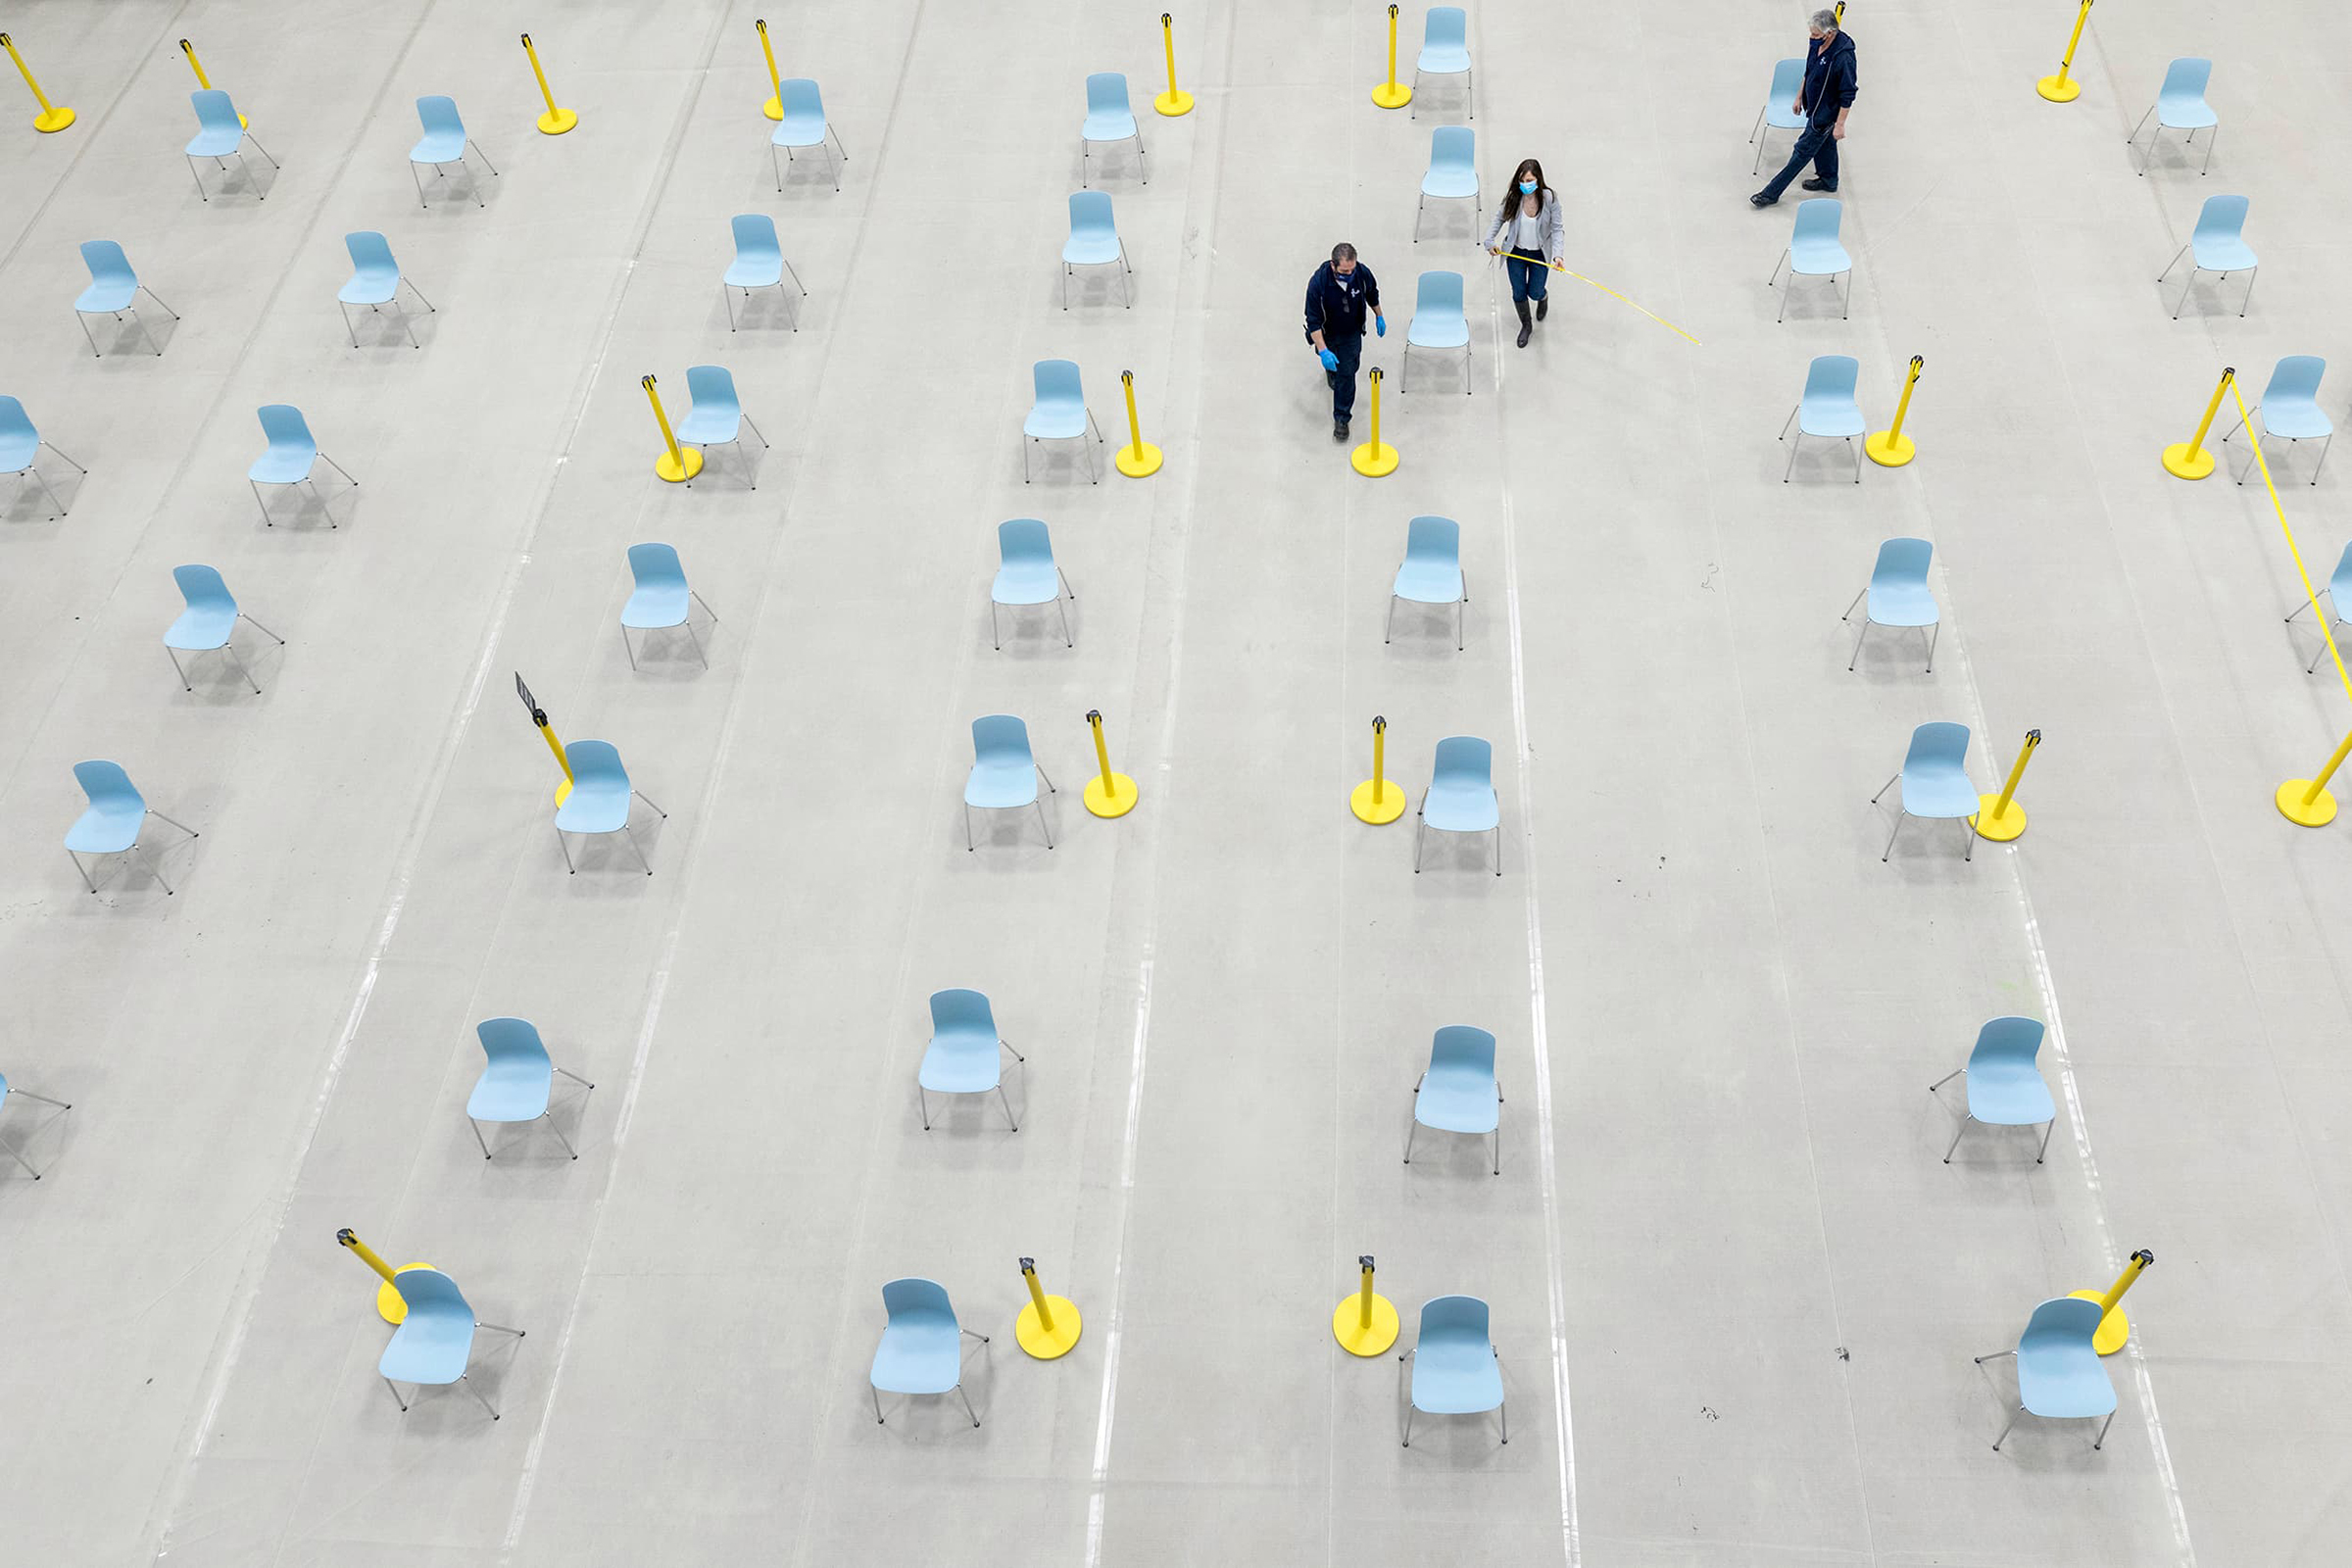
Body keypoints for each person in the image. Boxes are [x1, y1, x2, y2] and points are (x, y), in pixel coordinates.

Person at [1751, 11, 1856, 207]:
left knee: (1801, 153)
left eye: (1816, 35)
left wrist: (1840, 124)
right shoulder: (1816, 44)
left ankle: (1771, 193)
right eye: (1811, 33)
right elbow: (1809, 70)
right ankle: (1829, 179)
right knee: (1826, 145)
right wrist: (1799, 96)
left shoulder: (1843, 58)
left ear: (1830, 33)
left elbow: (1848, 94)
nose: (1812, 38)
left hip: (1824, 115)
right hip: (1812, 107)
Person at [1303, 243, 1385, 443]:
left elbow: (1371, 293)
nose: (1349, 274)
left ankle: (1340, 405)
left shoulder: (1361, 273)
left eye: (1352, 269)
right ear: (1333, 265)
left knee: (1350, 369)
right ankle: (1338, 402)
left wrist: (1379, 316)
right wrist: (1323, 350)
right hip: (1328, 332)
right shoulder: (1318, 284)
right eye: (1344, 271)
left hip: (1352, 331)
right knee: (1340, 371)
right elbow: (1313, 320)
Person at [1484, 158, 1566, 348]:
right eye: (1522, 181)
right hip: (1516, 254)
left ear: (1538, 180)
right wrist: (1489, 241)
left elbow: (1557, 228)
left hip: (1539, 255)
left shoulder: (1549, 198)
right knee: (1519, 292)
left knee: (1535, 291)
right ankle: (1526, 325)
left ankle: (1542, 297)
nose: (1525, 185)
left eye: (1529, 181)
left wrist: (1558, 255)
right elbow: (1498, 219)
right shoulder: (1514, 197)